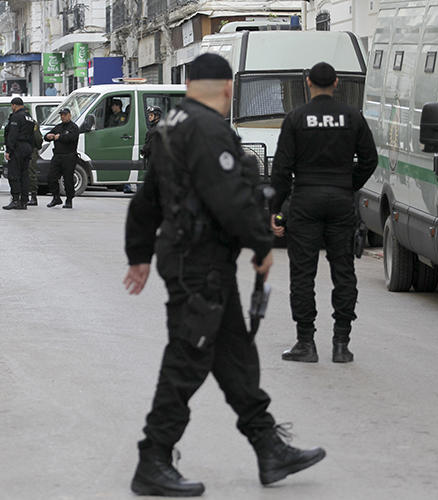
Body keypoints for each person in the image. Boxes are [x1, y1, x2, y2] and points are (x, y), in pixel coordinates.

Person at [124, 53, 325, 497]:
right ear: (228, 88)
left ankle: (268, 446)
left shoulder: (171, 124)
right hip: (199, 264)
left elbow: (147, 198)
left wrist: (138, 253)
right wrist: (261, 244)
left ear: (190, 82)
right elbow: (229, 197)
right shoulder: (208, 128)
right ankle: (153, 457)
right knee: (187, 357)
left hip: (194, 260)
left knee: (234, 354)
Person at [269, 62, 378, 363]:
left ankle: (306, 343)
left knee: (303, 273)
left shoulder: (296, 118)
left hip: (305, 200)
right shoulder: (353, 117)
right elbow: (370, 159)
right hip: (341, 199)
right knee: (343, 271)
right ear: (337, 82)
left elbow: (281, 169)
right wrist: (348, 184)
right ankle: (341, 344)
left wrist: (276, 210)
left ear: (307, 83)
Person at [2, 97, 35, 210]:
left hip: (17, 148)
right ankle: (24, 201)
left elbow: (12, 135)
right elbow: (32, 135)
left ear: (14, 105)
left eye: (12, 106)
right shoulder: (29, 117)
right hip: (27, 148)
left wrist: (8, 150)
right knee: (24, 175)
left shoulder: (16, 117)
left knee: (14, 174)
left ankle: (15, 200)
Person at [44, 107, 79, 209]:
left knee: (68, 179)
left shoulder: (74, 127)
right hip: (57, 156)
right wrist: (48, 136)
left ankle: (69, 199)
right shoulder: (58, 127)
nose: (62, 117)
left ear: (69, 115)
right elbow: (47, 136)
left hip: (69, 156)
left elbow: (71, 138)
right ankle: (56, 197)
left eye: (64, 115)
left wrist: (60, 137)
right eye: (61, 115)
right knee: (51, 177)